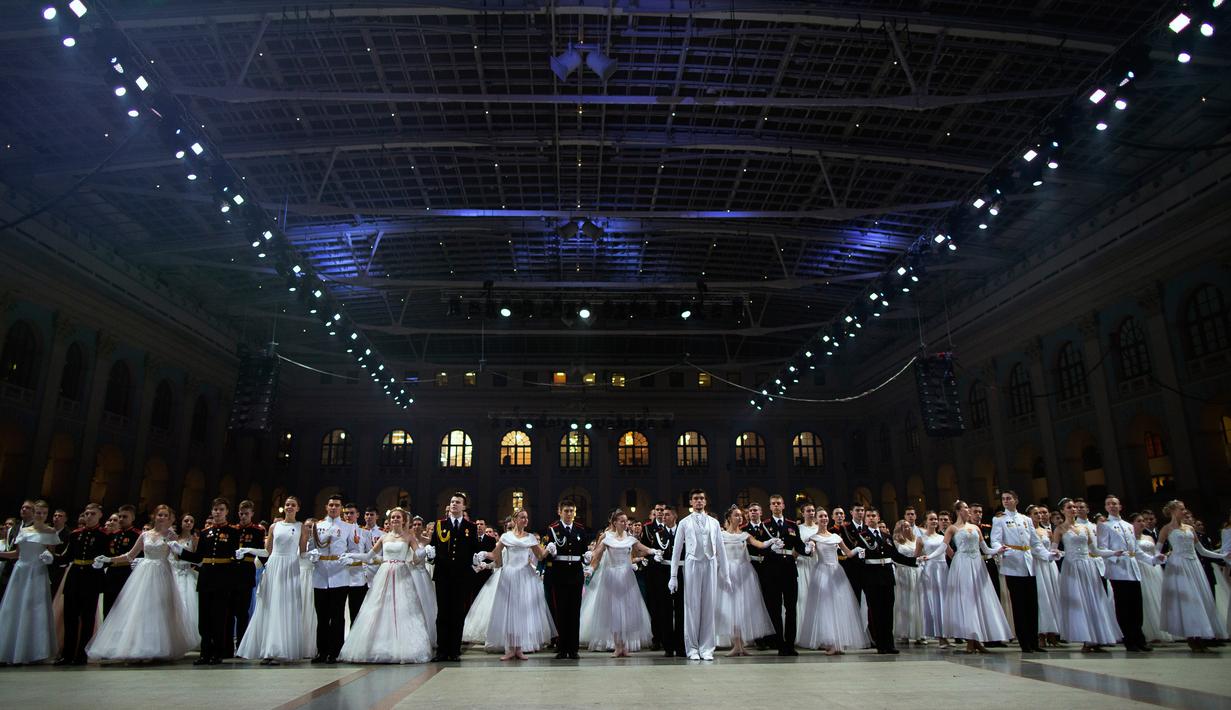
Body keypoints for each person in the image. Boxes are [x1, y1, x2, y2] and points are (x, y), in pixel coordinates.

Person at [87, 505, 199, 661]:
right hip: (144, 572)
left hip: (162, 572)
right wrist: (109, 559)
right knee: (139, 609)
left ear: (169, 518)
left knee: (159, 609)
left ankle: (158, 647)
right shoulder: (145, 534)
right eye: (159, 514)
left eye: (165, 515)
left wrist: (183, 552)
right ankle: (136, 646)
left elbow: (178, 556)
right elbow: (130, 555)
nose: (162, 517)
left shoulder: (171, 535)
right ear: (154, 516)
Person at [337, 507, 434, 664]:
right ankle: (376, 646)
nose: (395, 519)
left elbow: (417, 556)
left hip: (402, 573)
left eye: (398, 517)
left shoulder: (409, 537)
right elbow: (369, 556)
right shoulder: (384, 537)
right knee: (378, 607)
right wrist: (352, 555)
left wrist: (425, 552)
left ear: (403, 520)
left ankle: (402, 647)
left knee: (402, 609)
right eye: (393, 517)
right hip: (385, 573)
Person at [236, 495, 310, 664]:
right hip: (274, 566)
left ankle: (279, 650)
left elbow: (303, 552)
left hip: (290, 567)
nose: (289, 507)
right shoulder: (274, 527)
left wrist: (312, 556)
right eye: (287, 504)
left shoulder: (301, 527)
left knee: (284, 606)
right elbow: (267, 551)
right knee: (269, 605)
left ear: (298, 508)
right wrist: (249, 549)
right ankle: (267, 649)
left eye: (293, 505)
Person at [929, 500, 1010, 654]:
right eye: (966, 508)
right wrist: (929, 556)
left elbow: (984, 548)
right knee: (966, 600)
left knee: (978, 599)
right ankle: (971, 639)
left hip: (977, 565)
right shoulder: (952, 528)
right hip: (962, 565)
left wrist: (998, 550)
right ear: (959, 511)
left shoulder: (975, 528)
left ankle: (976, 639)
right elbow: (944, 546)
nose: (968, 510)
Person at [168, 498, 240, 665]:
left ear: (227, 512)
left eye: (221, 509)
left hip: (222, 578)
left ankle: (217, 653)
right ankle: (205, 652)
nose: (217, 512)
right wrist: (181, 551)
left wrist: (232, 580)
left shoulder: (233, 532)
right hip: (206, 577)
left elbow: (235, 557)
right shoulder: (205, 533)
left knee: (219, 617)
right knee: (204, 618)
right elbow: (198, 557)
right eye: (215, 509)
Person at [479, 508, 556, 660]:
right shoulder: (506, 537)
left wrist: (549, 549)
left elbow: (540, 556)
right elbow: (495, 554)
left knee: (521, 612)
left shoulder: (530, 538)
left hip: (525, 576)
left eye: (526, 517)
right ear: (515, 520)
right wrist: (484, 554)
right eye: (522, 517)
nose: (525, 520)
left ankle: (519, 648)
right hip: (509, 575)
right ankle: (509, 648)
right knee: (509, 611)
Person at [1050, 498, 1123, 653]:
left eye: (1074, 507)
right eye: (1069, 507)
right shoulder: (1060, 529)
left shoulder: (1085, 528)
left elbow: (1095, 550)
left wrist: (1112, 553)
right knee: (1080, 602)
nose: (1073, 509)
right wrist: (1055, 552)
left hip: (1088, 566)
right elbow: (1053, 548)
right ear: (1063, 510)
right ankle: (1086, 638)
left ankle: (1097, 638)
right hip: (1072, 567)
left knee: (1094, 600)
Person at [1157, 499, 1229, 651]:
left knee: (1200, 600)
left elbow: (1202, 550)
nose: (1184, 512)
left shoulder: (1190, 528)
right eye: (1181, 509)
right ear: (1172, 511)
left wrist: (1222, 555)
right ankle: (1191, 637)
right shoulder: (1166, 529)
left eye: (1184, 509)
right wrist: (1161, 557)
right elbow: (1157, 551)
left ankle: (1200, 636)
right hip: (1179, 566)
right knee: (1187, 601)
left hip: (1194, 565)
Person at [668, 488, 730, 661]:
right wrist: (673, 576)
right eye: (695, 498)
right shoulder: (684, 522)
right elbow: (677, 550)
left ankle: (707, 647)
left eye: (702, 498)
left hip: (710, 563)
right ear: (691, 502)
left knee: (709, 606)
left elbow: (721, 550)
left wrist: (726, 574)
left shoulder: (714, 522)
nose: (699, 501)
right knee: (691, 607)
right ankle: (692, 647)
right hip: (692, 563)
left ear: (706, 501)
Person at [584, 509, 654, 656]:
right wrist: (590, 565)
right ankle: (617, 646)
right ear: (614, 523)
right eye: (621, 521)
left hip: (627, 576)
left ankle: (625, 646)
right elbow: (598, 553)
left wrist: (654, 552)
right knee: (614, 611)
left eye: (626, 521)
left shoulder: (630, 539)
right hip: (611, 575)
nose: (625, 523)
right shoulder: (607, 538)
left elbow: (641, 549)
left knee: (627, 611)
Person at [1098, 495, 1163, 653]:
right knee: (1124, 607)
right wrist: (1114, 554)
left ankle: (1139, 638)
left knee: (1136, 606)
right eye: (1108, 504)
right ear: (1106, 507)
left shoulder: (1127, 525)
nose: (1112, 506)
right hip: (1119, 569)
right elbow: (1101, 548)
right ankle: (1129, 640)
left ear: (1120, 506)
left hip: (1133, 569)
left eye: (1114, 503)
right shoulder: (1104, 526)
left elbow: (1137, 551)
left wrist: (1153, 559)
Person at [990, 490, 1052, 653]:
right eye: (1003, 499)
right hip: (1012, 563)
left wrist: (1048, 555)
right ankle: (1024, 642)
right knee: (1019, 605)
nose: (1005, 501)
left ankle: (1034, 641)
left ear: (1016, 500)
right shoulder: (999, 519)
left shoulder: (1025, 519)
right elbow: (995, 540)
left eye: (1009, 498)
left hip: (1029, 563)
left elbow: (1035, 542)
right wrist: (1001, 549)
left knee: (1032, 604)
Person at [798, 507, 867, 654]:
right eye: (820, 516)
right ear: (816, 519)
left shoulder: (836, 537)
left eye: (825, 516)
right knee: (825, 608)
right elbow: (808, 553)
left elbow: (848, 553)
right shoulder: (814, 538)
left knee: (839, 606)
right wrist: (809, 548)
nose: (823, 518)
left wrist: (858, 550)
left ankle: (838, 642)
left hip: (836, 572)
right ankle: (831, 642)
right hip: (822, 572)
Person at [0, 500, 59, 665]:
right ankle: (10, 649)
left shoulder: (50, 531)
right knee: (14, 607)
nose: (41, 515)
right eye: (38, 512)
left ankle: (33, 651)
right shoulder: (24, 530)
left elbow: (52, 554)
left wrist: (48, 557)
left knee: (33, 608)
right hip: (21, 570)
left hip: (37, 571)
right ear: (33, 513)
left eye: (44, 513)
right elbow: (17, 554)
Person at [851, 508, 917, 654]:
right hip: (872, 577)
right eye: (868, 516)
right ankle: (880, 644)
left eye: (873, 515)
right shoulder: (860, 535)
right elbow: (857, 558)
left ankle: (889, 644)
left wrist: (914, 561)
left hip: (887, 577)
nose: (870, 518)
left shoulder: (886, 536)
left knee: (888, 612)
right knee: (876, 612)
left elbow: (895, 556)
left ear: (878, 517)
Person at [717, 506, 776, 656]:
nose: (740, 518)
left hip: (744, 574)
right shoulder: (721, 535)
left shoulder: (745, 535)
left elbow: (759, 544)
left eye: (741, 516)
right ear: (729, 518)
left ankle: (741, 645)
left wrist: (772, 541)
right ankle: (736, 644)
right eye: (736, 515)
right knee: (731, 609)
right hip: (728, 573)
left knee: (742, 609)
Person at [307, 494, 359, 663]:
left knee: (337, 616)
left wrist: (349, 558)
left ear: (341, 508)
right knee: (321, 616)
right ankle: (321, 651)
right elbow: (312, 547)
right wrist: (312, 554)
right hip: (321, 574)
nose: (333, 508)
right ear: (326, 507)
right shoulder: (318, 526)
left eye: (337, 505)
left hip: (339, 574)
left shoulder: (348, 528)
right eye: (331, 505)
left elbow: (354, 548)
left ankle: (335, 651)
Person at [429, 492, 480, 662]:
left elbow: (473, 549)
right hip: (443, 574)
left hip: (461, 576)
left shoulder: (470, 527)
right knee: (443, 613)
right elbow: (433, 548)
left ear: (464, 506)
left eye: (458, 502)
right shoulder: (439, 525)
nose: (454, 504)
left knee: (458, 613)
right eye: (452, 502)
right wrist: (430, 556)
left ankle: (454, 650)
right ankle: (442, 650)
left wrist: (475, 560)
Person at [54, 504, 107, 665]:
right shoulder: (75, 534)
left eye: (93, 513)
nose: (89, 516)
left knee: (87, 618)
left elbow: (109, 557)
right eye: (87, 513)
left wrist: (103, 564)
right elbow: (67, 556)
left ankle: (82, 654)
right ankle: (67, 654)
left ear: (100, 515)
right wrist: (53, 558)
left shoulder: (103, 535)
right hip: (75, 576)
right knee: (70, 617)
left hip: (91, 577)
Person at [758, 494, 809, 655]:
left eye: (779, 503)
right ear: (770, 507)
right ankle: (780, 643)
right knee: (775, 609)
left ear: (784, 505)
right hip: (772, 571)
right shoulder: (764, 525)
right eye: (773, 504)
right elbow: (758, 546)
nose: (776, 506)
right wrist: (769, 549)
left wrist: (807, 550)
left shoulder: (792, 525)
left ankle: (790, 644)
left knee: (791, 609)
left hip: (789, 570)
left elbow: (798, 545)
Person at [541, 500, 591, 660]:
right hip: (559, 573)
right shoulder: (553, 529)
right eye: (566, 511)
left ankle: (573, 648)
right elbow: (545, 553)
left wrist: (587, 557)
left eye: (572, 511)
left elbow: (584, 552)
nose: (569, 514)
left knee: (574, 612)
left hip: (575, 574)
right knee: (561, 611)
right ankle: (562, 648)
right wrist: (550, 551)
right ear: (559, 512)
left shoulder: (580, 530)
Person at [642, 506, 683, 657]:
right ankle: (668, 646)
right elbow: (651, 553)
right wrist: (654, 558)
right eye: (663, 515)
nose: (664, 517)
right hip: (663, 573)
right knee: (664, 610)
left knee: (681, 610)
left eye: (667, 515)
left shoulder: (682, 531)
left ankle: (681, 645)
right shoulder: (658, 534)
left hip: (681, 572)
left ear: (675, 516)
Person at [230, 500, 265, 654]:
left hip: (246, 571)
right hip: (231, 571)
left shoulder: (257, 531)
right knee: (229, 611)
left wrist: (266, 566)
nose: (243, 516)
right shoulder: (233, 529)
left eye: (246, 514)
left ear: (252, 514)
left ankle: (242, 644)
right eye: (241, 513)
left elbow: (261, 551)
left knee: (243, 611)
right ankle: (227, 644)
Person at [1132, 512, 1170, 644]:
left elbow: (1155, 553)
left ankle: (1161, 629)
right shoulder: (1130, 538)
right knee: (1145, 598)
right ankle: (1147, 631)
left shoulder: (1149, 537)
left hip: (1153, 569)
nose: (1142, 523)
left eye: (1143, 521)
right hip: (1139, 568)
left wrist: (1160, 558)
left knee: (1157, 597)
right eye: (1139, 521)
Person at [1028, 505, 1063, 648]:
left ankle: (1052, 633)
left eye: (1041, 513)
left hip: (1049, 566)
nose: (1039, 515)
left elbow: (1052, 548)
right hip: (1037, 565)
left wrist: (1055, 553)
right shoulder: (1028, 531)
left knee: (1052, 597)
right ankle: (1040, 633)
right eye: (1036, 513)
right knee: (1041, 598)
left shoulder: (1047, 531)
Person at [741, 501, 773, 650]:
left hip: (768, 565)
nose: (753, 513)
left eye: (756, 510)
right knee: (754, 601)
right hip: (751, 565)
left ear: (761, 512)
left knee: (770, 599)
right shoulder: (743, 530)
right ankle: (758, 637)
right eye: (751, 511)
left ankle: (771, 636)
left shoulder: (769, 528)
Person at [915, 511, 949, 647]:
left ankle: (946, 634)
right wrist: (921, 558)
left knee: (945, 601)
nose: (934, 521)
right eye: (931, 519)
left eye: (936, 519)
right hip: (931, 570)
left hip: (943, 569)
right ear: (926, 521)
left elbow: (950, 553)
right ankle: (939, 636)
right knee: (935, 602)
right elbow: (915, 556)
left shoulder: (943, 537)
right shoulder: (921, 538)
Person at [102, 504, 140, 616]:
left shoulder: (137, 535)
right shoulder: (113, 535)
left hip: (127, 574)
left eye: (125, 517)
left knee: (123, 610)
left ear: (132, 518)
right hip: (111, 574)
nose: (121, 519)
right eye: (120, 516)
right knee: (107, 609)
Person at [407, 516, 438, 648]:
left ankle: (427, 635)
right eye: (414, 524)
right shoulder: (408, 539)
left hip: (422, 573)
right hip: (410, 572)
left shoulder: (428, 540)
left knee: (425, 603)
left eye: (419, 524)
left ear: (423, 526)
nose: (417, 526)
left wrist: (430, 556)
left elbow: (431, 559)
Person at [170, 513, 199, 649]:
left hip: (186, 572)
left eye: (191, 521)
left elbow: (196, 558)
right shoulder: (174, 538)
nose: (188, 523)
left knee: (187, 604)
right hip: (174, 573)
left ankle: (188, 637)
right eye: (186, 520)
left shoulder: (195, 539)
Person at [892, 519, 924, 645]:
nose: (907, 528)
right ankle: (904, 632)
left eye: (908, 526)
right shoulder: (896, 541)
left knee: (917, 601)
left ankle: (919, 633)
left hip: (916, 572)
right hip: (903, 572)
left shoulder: (916, 540)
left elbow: (922, 554)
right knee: (904, 601)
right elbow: (895, 557)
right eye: (903, 526)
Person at [794, 502, 821, 630]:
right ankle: (805, 631)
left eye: (812, 510)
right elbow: (795, 550)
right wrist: (805, 548)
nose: (811, 513)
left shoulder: (819, 528)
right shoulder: (799, 529)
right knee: (804, 597)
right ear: (803, 513)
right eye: (808, 511)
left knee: (819, 599)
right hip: (803, 565)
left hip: (817, 564)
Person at [836, 503, 867, 609]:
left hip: (868, 568)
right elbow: (845, 549)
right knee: (854, 599)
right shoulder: (845, 528)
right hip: (853, 568)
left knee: (870, 601)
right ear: (851, 512)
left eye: (862, 510)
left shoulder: (867, 528)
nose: (860, 513)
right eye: (857, 510)